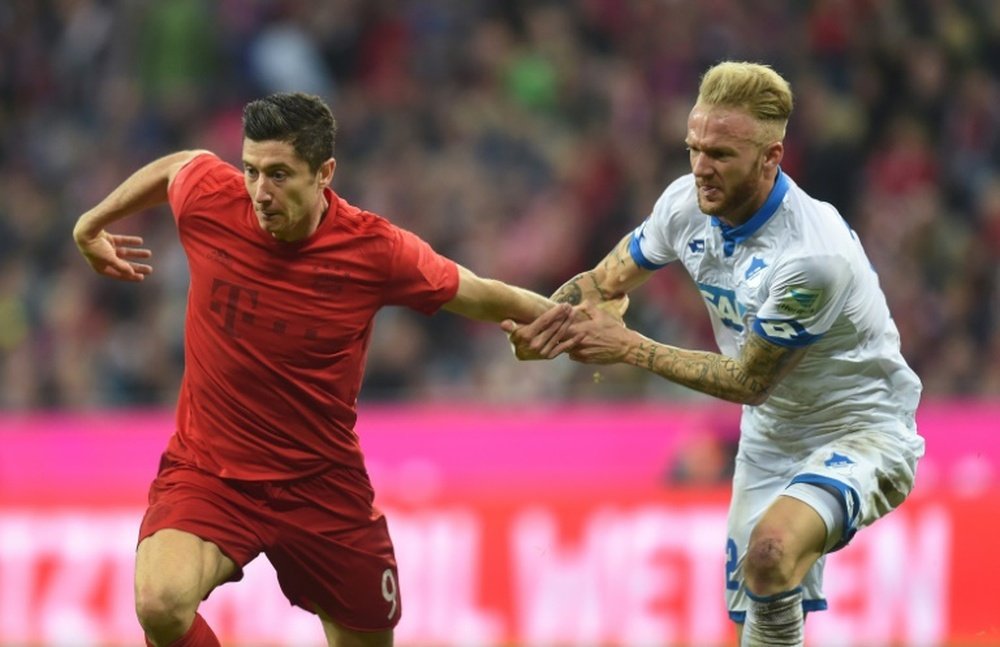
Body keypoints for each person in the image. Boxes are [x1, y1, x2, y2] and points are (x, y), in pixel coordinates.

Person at [72, 92, 556, 647]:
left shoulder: (375, 249)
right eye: (252, 170)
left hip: (321, 486)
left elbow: (479, 294)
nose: (259, 191)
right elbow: (179, 165)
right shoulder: (213, 199)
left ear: (325, 172)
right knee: (159, 603)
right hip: (210, 472)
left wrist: (568, 317)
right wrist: (92, 222)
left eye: (279, 175)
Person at [503, 61, 925, 646]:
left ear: (771, 158)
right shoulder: (685, 204)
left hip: (859, 428)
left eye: (721, 155)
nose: (702, 168)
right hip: (770, 436)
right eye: (694, 148)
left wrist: (628, 347)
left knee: (771, 553)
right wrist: (543, 327)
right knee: (758, 600)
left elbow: (749, 381)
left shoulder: (810, 259)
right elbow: (604, 283)